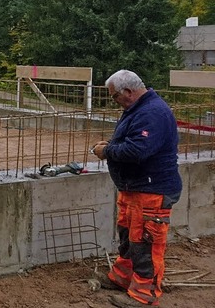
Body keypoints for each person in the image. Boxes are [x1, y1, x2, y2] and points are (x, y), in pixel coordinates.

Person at [91, 70, 182, 308]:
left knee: (146, 243)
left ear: (129, 92)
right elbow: (131, 142)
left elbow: (137, 150)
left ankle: (144, 295)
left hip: (151, 191)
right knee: (130, 237)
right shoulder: (138, 110)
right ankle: (123, 278)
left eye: (114, 96)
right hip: (136, 189)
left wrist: (107, 151)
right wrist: (111, 145)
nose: (114, 101)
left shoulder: (152, 113)